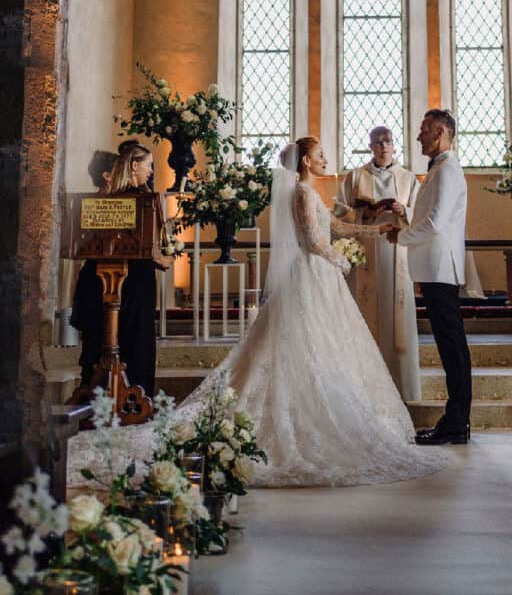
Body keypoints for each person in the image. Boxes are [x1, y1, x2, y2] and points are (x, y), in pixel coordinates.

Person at [174, 136, 448, 487]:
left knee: (326, 345)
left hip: (320, 274)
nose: (325, 159)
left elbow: (335, 227)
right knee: (308, 343)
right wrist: (340, 260)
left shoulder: (311, 192)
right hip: (310, 273)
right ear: (304, 162)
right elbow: (313, 240)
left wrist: (377, 231)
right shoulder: (302, 193)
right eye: (319, 155)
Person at [384, 109, 471, 446]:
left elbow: (436, 223)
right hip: (433, 267)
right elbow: (429, 214)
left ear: (439, 132)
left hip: (440, 268)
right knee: (450, 345)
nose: (418, 136)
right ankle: (456, 420)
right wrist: (405, 217)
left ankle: (457, 421)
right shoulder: (439, 170)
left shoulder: (448, 170)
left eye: (423, 130)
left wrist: (400, 236)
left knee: (453, 347)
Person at [70, 142, 169, 396]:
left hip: (106, 278)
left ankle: (99, 393)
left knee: (104, 338)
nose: (150, 171)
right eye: (148, 166)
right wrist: (162, 260)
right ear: (134, 166)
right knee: (132, 339)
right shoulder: (141, 202)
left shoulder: (107, 197)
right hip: (130, 282)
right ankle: (133, 393)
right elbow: (144, 245)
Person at [334, 125, 421, 401]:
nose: (383, 146)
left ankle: (402, 389)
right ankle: (364, 392)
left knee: (397, 321)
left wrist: (403, 210)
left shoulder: (408, 179)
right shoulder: (355, 177)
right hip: (366, 257)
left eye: (388, 141)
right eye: (377, 142)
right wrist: (366, 211)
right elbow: (338, 216)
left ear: (395, 145)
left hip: (398, 255)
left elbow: (422, 214)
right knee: (366, 316)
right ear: (370, 146)